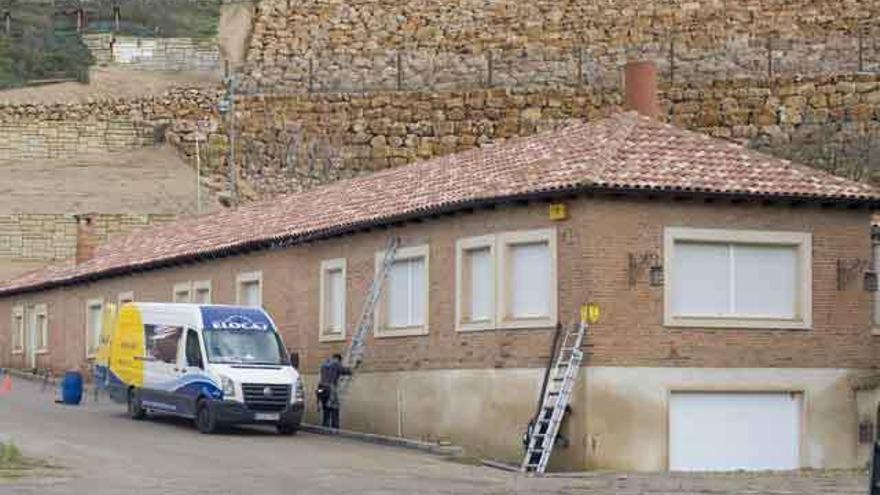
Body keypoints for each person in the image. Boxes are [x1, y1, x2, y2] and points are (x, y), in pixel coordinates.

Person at [317, 353, 351, 430]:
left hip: (321, 388)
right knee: (335, 408)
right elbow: (346, 371)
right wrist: (351, 369)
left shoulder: (324, 365)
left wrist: (318, 398)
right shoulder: (336, 364)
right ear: (338, 359)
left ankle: (325, 426)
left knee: (325, 408)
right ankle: (335, 427)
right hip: (330, 388)